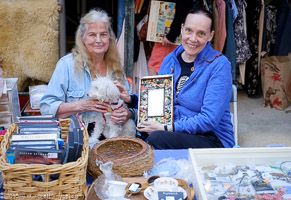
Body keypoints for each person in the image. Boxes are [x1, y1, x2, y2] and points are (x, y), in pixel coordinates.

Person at [118, 8, 234, 149]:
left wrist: (167, 128)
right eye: (189, 31)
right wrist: (131, 99)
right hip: (174, 132)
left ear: (210, 36)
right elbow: (158, 96)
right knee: (136, 134)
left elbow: (209, 119)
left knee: (156, 138)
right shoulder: (170, 60)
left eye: (201, 33)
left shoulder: (219, 65)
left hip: (211, 138)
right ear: (182, 29)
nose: (193, 39)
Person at [39, 8, 135, 141]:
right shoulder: (66, 65)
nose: (98, 40)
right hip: (76, 139)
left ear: (109, 38)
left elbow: (131, 107)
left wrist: (126, 114)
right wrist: (80, 106)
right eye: (92, 34)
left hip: (111, 140)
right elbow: (46, 106)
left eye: (103, 34)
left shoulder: (116, 68)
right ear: (83, 38)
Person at [148, 0, 194, 75]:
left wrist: (171, 35)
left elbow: (183, 10)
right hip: (172, 32)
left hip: (173, 36)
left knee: (157, 67)